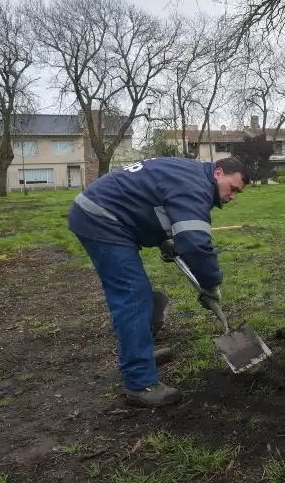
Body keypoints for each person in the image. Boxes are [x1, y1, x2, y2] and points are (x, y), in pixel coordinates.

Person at [67, 156, 250, 408]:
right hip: (100, 218)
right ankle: (140, 383)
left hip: (107, 213)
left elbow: (157, 201)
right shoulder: (195, 187)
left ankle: (140, 352)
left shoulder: (192, 175)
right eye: (233, 189)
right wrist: (210, 284)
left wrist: (168, 238)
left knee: (137, 293)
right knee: (133, 294)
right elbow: (196, 245)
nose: (233, 197)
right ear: (218, 173)